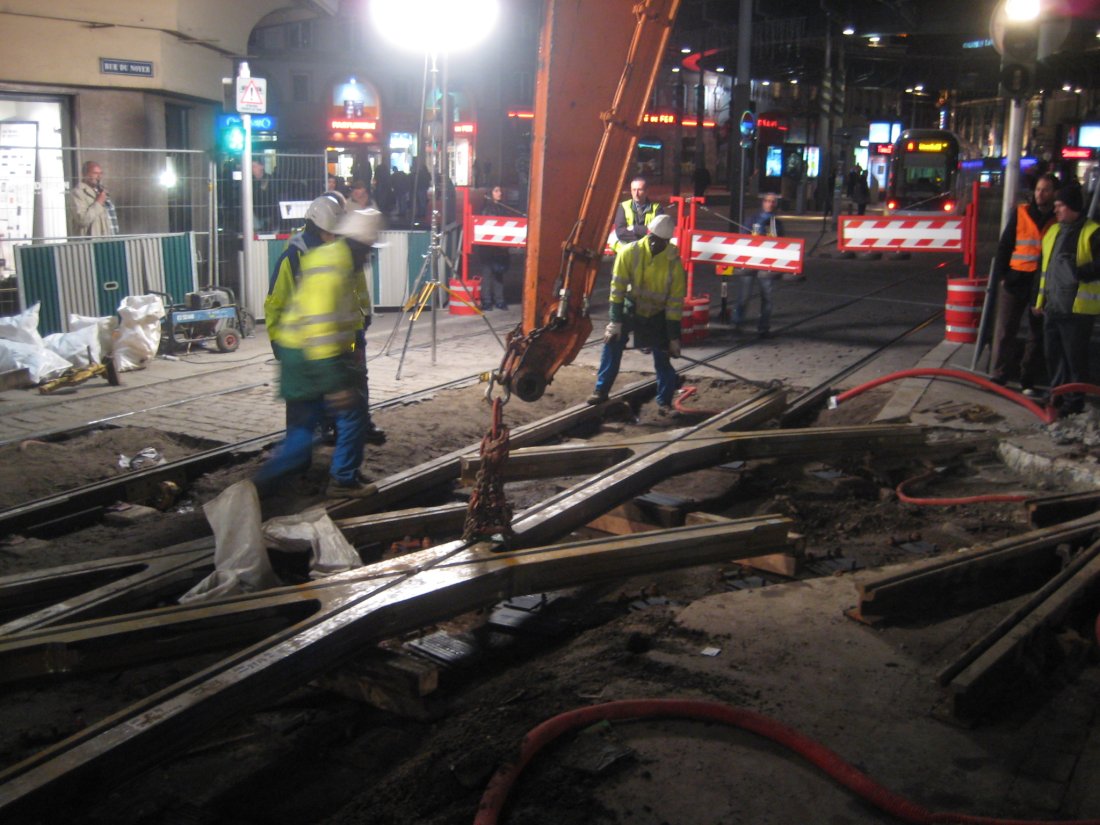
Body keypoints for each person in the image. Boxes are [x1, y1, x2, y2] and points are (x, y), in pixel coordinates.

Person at [254, 207, 384, 498]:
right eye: (368, 249)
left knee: (302, 430)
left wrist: (355, 346)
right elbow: (321, 325)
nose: (370, 256)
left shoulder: (333, 258)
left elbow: (346, 315)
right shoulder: (337, 267)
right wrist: (334, 384)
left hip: (298, 352)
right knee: (352, 413)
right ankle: (343, 480)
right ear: (358, 244)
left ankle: (258, 488)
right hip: (312, 355)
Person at [587, 213, 685, 415]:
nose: (657, 244)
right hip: (631, 308)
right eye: (654, 240)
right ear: (649, 235)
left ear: (667, 241)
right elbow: (617, 291)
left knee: (663, 356)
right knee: (612, 342)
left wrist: (673, 338)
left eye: (662, 242)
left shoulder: (673, 262)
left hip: (657, 314)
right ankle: (601, 390)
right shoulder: (628, 253)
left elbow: (674, 304)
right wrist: (615, 322)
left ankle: (664, 401)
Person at [1032, 184, 1100, 417]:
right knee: (1054, 355)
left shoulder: (1092, 232)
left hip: (1078, 309)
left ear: (1072, 207)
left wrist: (1079, 272)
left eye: (1060, 205)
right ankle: (1057, 395)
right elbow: (1044, 270)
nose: (1056, 210)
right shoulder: (1053, 232)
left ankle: (1074, 401)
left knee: (1075, 358)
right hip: (1054, 307)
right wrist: (1038, 300)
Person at [988, 173, 1058, 390]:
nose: (1040, 194)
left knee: (1035, 334)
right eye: (1038, 189)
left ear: (1054, 193)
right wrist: (1002, 276)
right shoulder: (1021, 213)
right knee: (1006, 329)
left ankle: (1027, 379)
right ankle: (1000, 374)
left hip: (1041, 285)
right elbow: (1004, 247)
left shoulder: (1057, 218)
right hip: (1016, 280)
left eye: (1045, 190)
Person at [731, 193, 784, 338]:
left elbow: (782, 243)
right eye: (767, 201)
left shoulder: (777, 223)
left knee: (767, 296)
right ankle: (737, 322)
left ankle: (763, 326)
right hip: (750, 262)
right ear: (763, 203)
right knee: (744, 295)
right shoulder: (752, 219)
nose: (770, 204)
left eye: (773, 202)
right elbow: (743, 236)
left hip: (767, 265)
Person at [479, 185, 512, 310]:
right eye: (496, 191)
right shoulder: (486, 208)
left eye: (500, 190)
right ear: (490, 193)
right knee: (487, 273)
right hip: (488, 248)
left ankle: (499, 300)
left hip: (500, 248)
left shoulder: (503, 208)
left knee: (499, 274)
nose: (500, 193)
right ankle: (487, 301)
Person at [613, 175, 663, 252]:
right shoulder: (623, 206)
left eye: (640, 190)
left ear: (646, 191)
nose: (636, 193)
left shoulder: (657, 208)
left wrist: (634, 228)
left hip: (648, 252)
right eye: (633, 190)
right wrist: (646, 234)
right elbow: (620, 233)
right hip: (627, 252)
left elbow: (658, 232)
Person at [67, 160, 118, 236]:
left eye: (101, 173)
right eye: (95, 173)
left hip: (110, 239)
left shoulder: (102, 191)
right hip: (93, 242)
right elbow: (82, 219)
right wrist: (98, 202)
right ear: (85, 175)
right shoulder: (78, 193)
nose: (99, 176)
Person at [251, 159, 278, 233]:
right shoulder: (249, 181)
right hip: (256, 215)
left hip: (271, 215)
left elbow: (274, 198)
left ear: (261, 166)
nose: (251, 169)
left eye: (253, 166)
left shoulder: (271, 179)